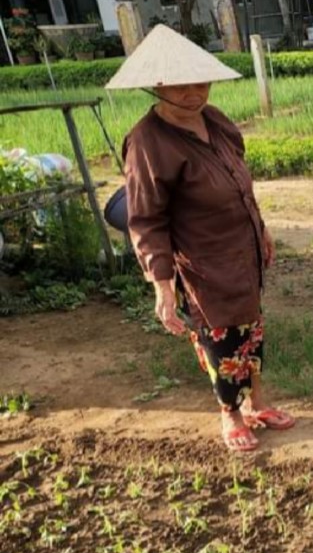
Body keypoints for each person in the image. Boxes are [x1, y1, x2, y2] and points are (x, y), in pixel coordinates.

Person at [108, 25, 295, 453]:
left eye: (201, 81)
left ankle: (259, 402)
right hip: (202, 262)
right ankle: (230, 413)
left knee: (251, 327)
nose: (195, 92)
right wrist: (162, 285)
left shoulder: (215, 120)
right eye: (183, 84)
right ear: (158, 86)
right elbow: (146, 218)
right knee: (221, 338)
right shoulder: (148, 142)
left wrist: (260, 228)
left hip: (240, 250)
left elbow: (240, 180)